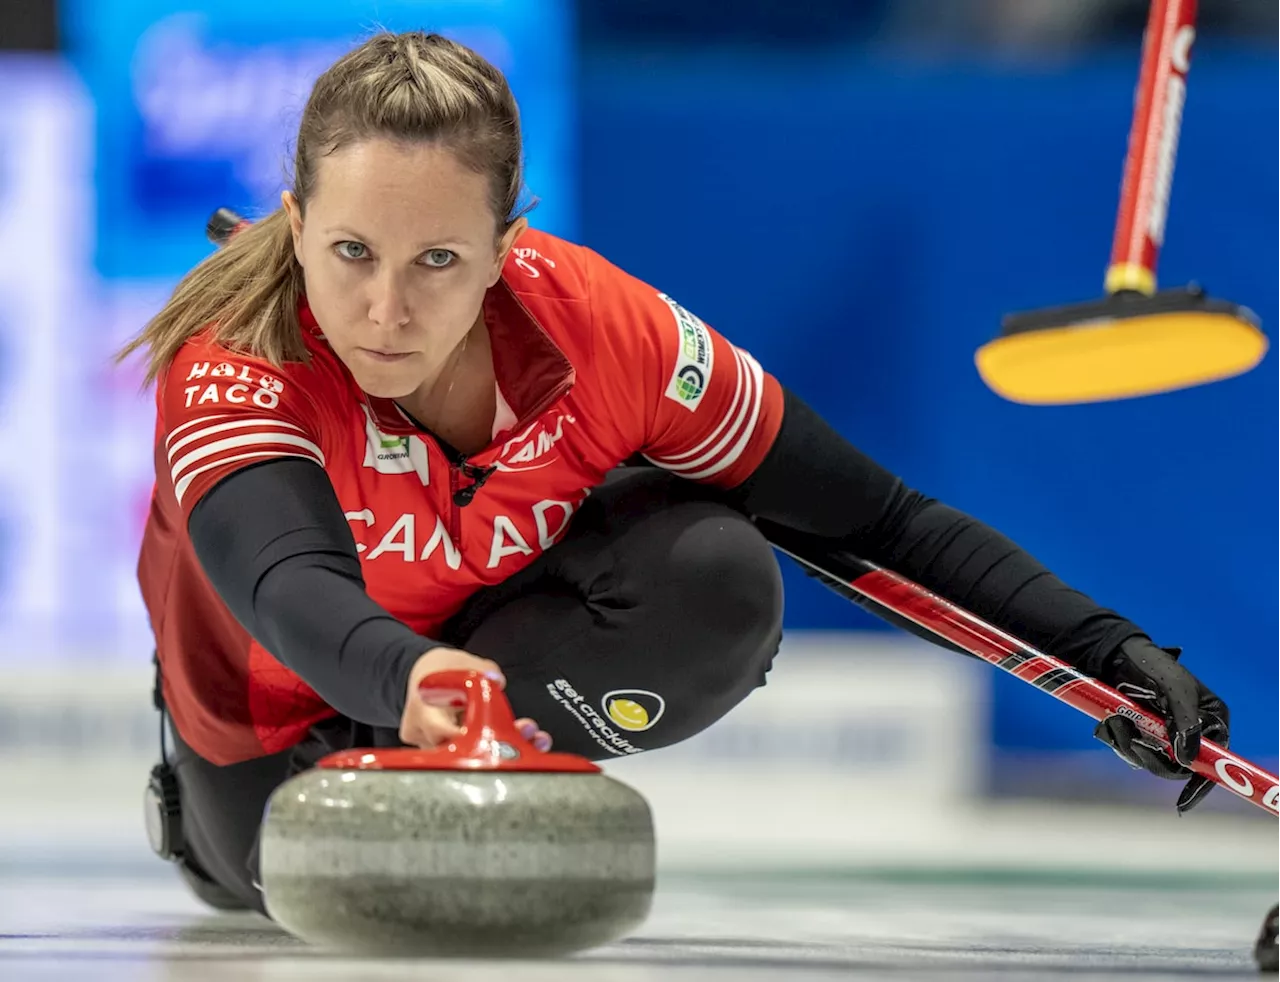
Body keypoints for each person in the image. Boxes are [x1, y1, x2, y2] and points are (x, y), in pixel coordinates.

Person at [121, 30, 1229, 915]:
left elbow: (875, 521)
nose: (386, 309)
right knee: (288, 866)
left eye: (439, 261)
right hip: (278, 727)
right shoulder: (238, 346)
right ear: (297, 223)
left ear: (508, 247)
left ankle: (452, 772)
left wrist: (1103, 651)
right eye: (353, 252)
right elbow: (285, 583)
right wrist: (415, 687)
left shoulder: (608, 331)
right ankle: (314, 804)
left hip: (469, 684)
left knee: (714, 571)